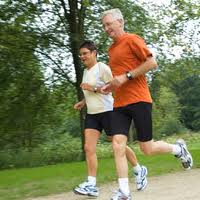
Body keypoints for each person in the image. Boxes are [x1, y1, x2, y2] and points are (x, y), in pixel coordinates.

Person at [101, 8, 193, 200]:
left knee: (147, 148)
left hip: (139, 99)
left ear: (120, 22)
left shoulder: (132, 39)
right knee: (118, 145)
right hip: (119, 103)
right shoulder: (111, 49)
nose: (106, 28)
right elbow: (119, 77)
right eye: (104, 25)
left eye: (109, 24)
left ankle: (179, 150)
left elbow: (152, 63)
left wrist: (125, 77)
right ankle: (124, 192)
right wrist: (111, 86)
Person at [73, 40, 148, 197]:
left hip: (108, 111)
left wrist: (92, 88)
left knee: (118, 145)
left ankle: (138, 169)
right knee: (88, 147)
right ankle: (91, 184)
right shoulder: (86, 71)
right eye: (80, 54)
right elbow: (90, 93)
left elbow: (113, 89)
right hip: (92, 114)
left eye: (85, 53)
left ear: (94, 53)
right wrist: (83, 102)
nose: (82, 56)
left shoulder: (103, 68)